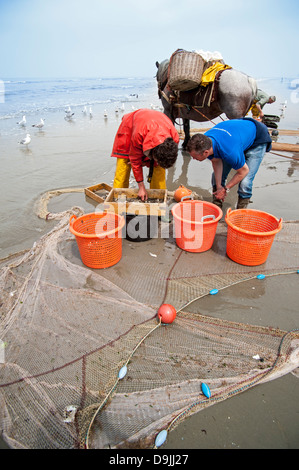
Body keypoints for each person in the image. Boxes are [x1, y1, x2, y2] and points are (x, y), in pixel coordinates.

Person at [186, 118, 272, 209]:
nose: (193, 159)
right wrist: (219, 187)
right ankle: (217, 206)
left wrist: (225, 189)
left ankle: (240, 213)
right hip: (237, 134)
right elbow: (216, 161)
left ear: (206, 153)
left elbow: (244, 171)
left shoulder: (229, 152)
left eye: (195, 156)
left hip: (257, 137)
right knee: (215, 177)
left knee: (245, 182)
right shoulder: (205, 141)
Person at [111, 108, 179, 200]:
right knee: (123, 166)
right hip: (130, 128)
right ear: (154, 154)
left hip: (152, 124)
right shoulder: (138, 134)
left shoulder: (174, 139)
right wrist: (141, 187)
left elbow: (158, 162)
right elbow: (135, 160)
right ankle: (117, 199)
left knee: (159, 168)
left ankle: (158, 198)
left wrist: (148, 163)